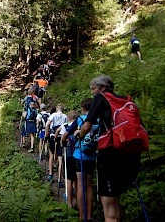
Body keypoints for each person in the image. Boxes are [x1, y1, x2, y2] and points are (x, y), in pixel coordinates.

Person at [79, 75, 141, 222]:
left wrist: (78, 136)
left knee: (108, 204)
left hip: (110, 154)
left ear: (103, 88)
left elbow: (87, 125)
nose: (92, 92)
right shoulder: (125, 101)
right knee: (116, 199)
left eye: (93, 89)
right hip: (130, 154)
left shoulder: (101, 98)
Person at [62, 99, 98, 221]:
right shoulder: (98, 119)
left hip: (80, 155)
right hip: (93, 155)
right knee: (89, 185)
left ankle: (82, 216)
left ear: (83, 108)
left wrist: (63, 142)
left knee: (80, 185)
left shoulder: (80, 119)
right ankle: (89, 215)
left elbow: (66, 134)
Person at [58, 110, 79, 209]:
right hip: (79, 154)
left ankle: (69, 203)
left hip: (69, 154)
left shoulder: (66, 126)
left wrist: (62, 143)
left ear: (69, 118)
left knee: (69, 179)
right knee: (78, 179)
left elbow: (63, 136)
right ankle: (79, 203)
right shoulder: (81, 125)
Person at [45, 104, 67, 182]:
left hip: (53, 135)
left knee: (51, 154)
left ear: (57, 109)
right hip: (61, 136)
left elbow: (48, 124)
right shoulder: (65, 116)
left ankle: (50, 173)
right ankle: (60, 178)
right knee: (60, 156)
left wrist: (47, 133)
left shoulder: (53, 115)